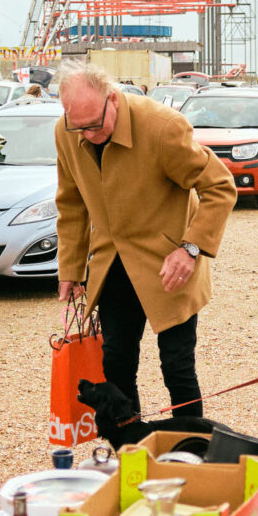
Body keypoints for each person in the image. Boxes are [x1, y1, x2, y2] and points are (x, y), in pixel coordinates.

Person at [53, 61, 236, 418]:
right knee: (117, 365)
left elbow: (219, 187)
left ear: (113, 99)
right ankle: (129, 455)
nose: (87, 134)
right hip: (112, 266)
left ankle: (191, 452)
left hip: (171, 263)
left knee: (177, 367)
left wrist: (191, 248)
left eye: (94, 124)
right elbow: (71, 202)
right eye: (79, 127)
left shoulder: (163, 127)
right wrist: (70, 269)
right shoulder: (68, 130)